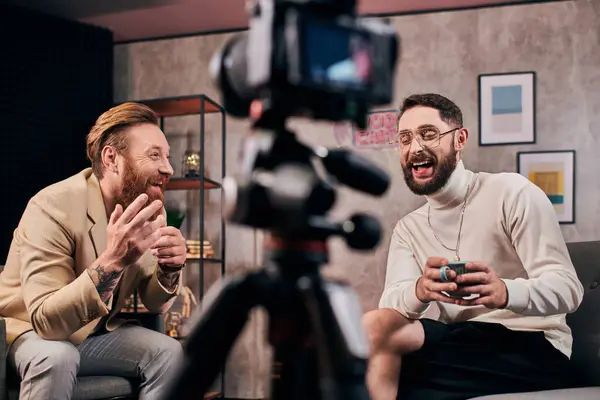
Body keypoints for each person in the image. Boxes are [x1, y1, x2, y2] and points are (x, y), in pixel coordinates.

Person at [362, 93, 584, 400]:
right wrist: (420, 290)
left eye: (428, 134)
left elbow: (568, 289)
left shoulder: (512, 192)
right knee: (376, 327)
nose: (415, 148)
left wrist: (506, 292)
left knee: (388, 376)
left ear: (459, 139)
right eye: (405, 138)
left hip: (531, 344)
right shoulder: (407, 228)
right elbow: (391, 304)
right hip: (461, 339)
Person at [0, 102, 187, 399]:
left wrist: (170, 267)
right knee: (58, 357)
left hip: (92, 333)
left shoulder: (144, 208)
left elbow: (155, 303)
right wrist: (113, 262)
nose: (169, 168)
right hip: (27, 331)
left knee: (170, 353)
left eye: (168, 156)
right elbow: (46, 322)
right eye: (154, 155)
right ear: (112, 158)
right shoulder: (52, 205)